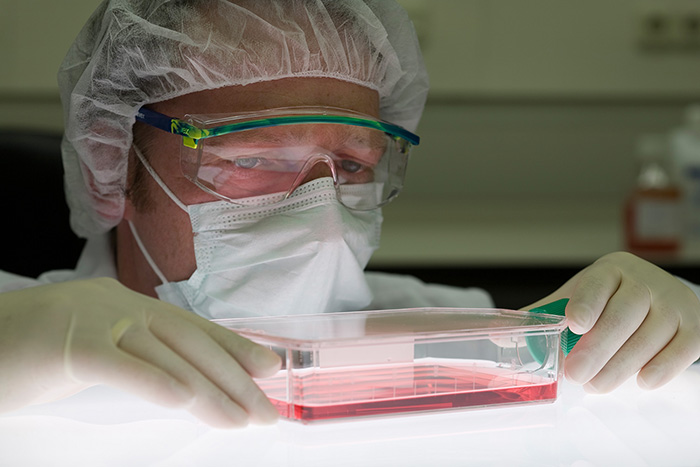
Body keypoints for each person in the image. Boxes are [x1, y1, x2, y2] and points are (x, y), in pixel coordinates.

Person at [1, 0, 698, 429]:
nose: (324, 218)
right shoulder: (31, 339)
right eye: (254, 157)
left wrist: (668, 329)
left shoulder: (427, 327)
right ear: (112, 157)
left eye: (354, 165)